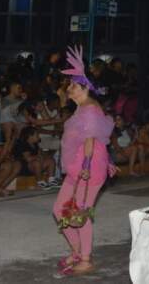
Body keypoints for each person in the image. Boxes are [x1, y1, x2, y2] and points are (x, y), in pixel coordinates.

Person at [52, 46, 115, 276]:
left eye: (72, 86)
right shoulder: (83, 108)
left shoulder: (89, 109)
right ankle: (77, 250)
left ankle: (85, 259)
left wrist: (87, 167)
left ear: (84, 88)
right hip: (77, 167)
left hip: (87, 168)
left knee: (79, 214)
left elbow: (90, 140)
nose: (69, 89)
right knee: (60, 209)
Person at [0, 81, 25, 157]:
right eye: (19, 88)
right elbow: (6, 116)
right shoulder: (4, 100)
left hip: (17, 127)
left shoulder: (20, 100)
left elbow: (22, 116)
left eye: (21, 88)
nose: (21, 90)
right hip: (8, 127)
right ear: (12, 88)